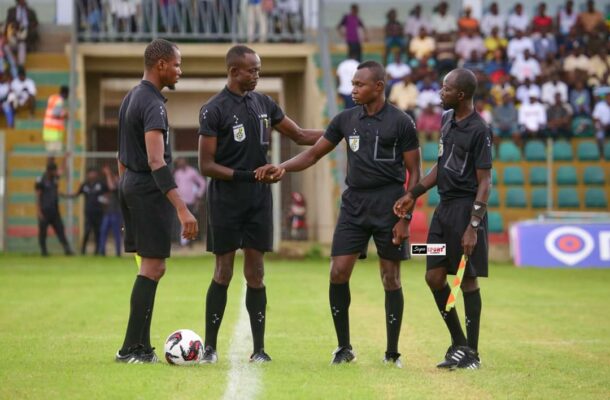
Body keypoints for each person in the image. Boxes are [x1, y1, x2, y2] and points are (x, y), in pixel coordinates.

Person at [259, 60, 421, 366]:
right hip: (354, 204)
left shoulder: (402, 122)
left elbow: (414, 172)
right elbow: (313, 153)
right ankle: (344, 347)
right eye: (353, 84)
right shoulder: (345, 120)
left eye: (360, 84)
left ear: (378, 87)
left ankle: (392, 353)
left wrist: (405, 217)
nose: (354, 89)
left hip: (390, 203)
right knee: (338, 271)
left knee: (391, 278)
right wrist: (281, 167)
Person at [197, 45, 324, 364]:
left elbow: (299, 135)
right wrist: (248, 176)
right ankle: (210, 348)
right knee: (223, 271)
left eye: (259, 69)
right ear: (233, 71)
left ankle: (259, 349)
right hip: (226, 200)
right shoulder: (213, 109)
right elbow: (206, 165)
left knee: (256, 273)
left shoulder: (264, 103)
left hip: (258, 201)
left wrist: (341, 131)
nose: (257, 75)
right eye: (252, 70)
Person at [394, 68, 492, 370]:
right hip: (444, 211)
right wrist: (414, 192)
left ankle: (471, 353)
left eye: (445, 88)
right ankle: (459, 343)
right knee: (433, 275)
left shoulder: (480, 129)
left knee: (468, 281)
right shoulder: (447, 120)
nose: (440, 92)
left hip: (466, 211)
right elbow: (441, 166)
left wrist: (473, 227)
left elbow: (485, 181)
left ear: (460, 94)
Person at [115, 39, 198, 364]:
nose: (180, 71)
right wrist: (181, 207)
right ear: (161, 64)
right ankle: (131, 349)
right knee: (152, 267)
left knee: (152, 267)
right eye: (177, 64)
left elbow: (121, 156)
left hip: (132, 186)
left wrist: (126, 195)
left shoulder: (129, 98)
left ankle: (141, 347)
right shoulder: (153, 105)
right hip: (147, 190)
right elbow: (155, 160)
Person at [35, 158, 74, 257]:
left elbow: (62, 169)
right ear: (49, 171)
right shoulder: (41, 180)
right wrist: (39, 211)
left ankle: (67, 250)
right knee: (43, 232)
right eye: (54, 171)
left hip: (54, 211)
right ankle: (44, 252)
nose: (56, 172)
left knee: (60, 230)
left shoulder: (54, 178)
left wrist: (66, 157)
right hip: (44, 211)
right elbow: (38, 196)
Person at [67, 167, 106, 255]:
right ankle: (83, 251)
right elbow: (77, 194)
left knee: (97, 232)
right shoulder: (85, 185)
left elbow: (108, 193)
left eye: (94, 173)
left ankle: (97, 251)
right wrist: (66, 195)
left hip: (98, 212)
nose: (92, 175)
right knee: (87, 231)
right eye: (90, 173)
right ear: (88, 174)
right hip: (88, 213)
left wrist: (105, 201)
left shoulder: (100, 184)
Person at [173, 157, 207, 246]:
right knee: (181, 222)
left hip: (191, 201)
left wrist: (199, 194)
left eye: (182, 161)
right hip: (181, 201)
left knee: (191, 221)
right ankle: (183, 242)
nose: (181, 163)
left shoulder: (192, 171)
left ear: (185, 162)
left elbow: (202, 183)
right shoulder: (177, 173)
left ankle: (190, 242)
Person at [4, 0, 39, 66]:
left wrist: (25, 28)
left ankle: (20, 66)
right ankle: (14, 63)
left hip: (26, 35)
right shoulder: (11, 11)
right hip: (13, 36)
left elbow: (35, 23)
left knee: (22, 45)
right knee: (6, 47)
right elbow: (8, 24)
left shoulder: (30, 11)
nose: (22, 1)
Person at [98, 164, 122, 257]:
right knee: (103, 231)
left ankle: (118, 253)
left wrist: (108, 174)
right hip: (108, 213)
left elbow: (112, 187)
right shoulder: (111, 186)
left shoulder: (120, 186)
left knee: (117, 234)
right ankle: (102, 252)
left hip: (116, 213)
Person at [42, 85, 69, 154]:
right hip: (54, 131)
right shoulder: (59, 101)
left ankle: (50, 165)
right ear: (65, 93)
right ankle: (50, 165)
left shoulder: (52, 98)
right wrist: (65, 114)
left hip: (47, 129)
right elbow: (56, 114)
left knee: (50, 152)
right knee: (53, 153)